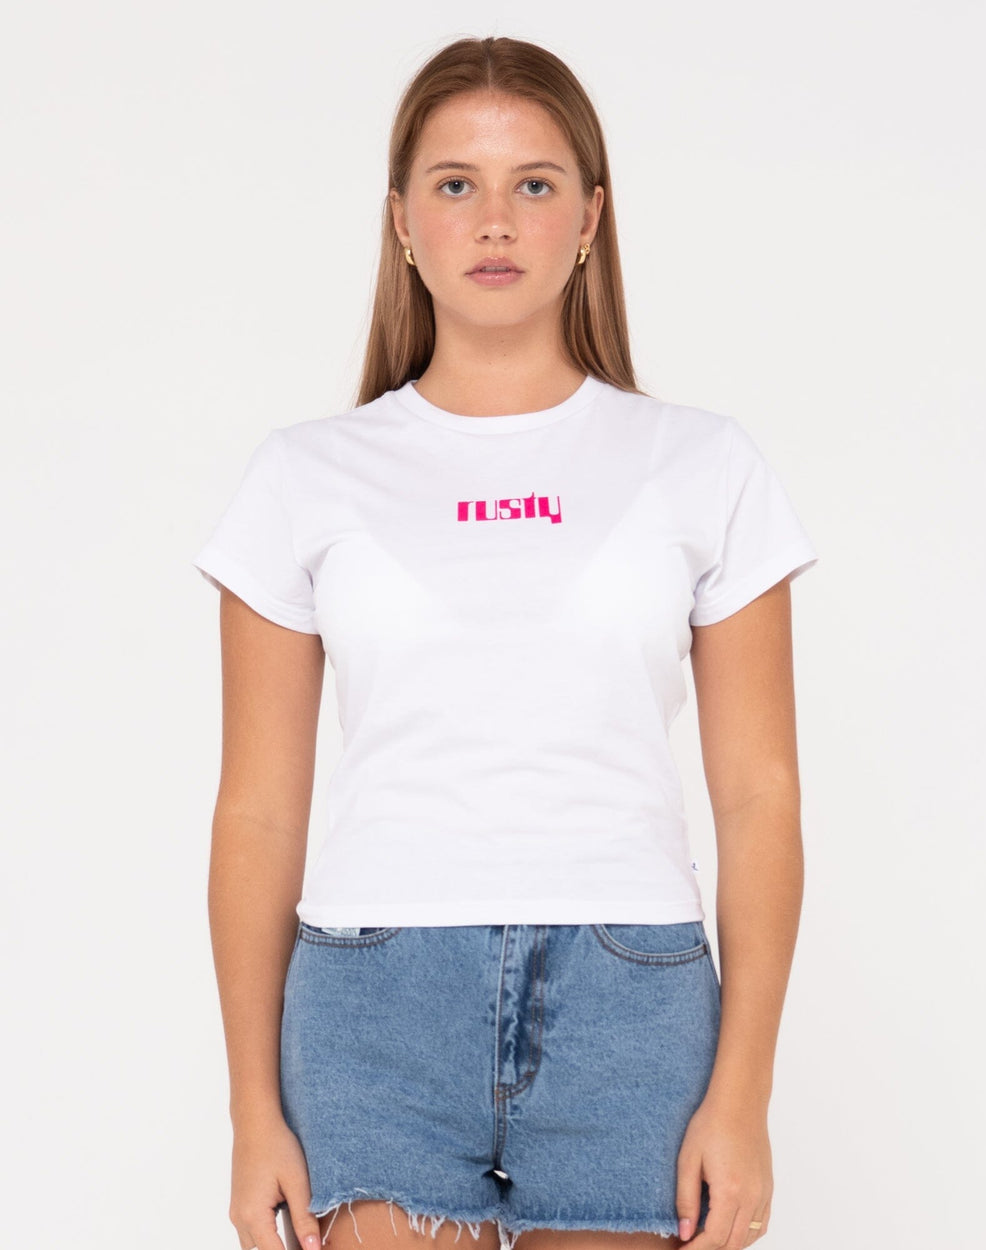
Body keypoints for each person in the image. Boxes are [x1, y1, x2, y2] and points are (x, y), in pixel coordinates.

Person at [192, 34, 819, 1250]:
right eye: (454, 183)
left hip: (630, 994)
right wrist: (250, 1107)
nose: (494, 220)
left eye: (533, 183)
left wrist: (743, 1093)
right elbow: (257, 810)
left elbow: (760, 795)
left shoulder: (701, 464)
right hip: (373, 998)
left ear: (589, 218)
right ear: (401, 220)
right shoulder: (303, 476)